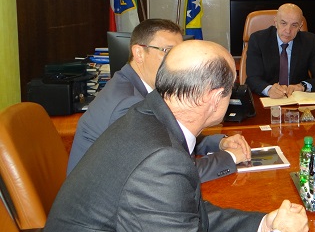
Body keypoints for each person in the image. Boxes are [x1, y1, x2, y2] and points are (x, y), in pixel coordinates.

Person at [23, 40, 309, 232]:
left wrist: (262, 226)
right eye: (230, 89)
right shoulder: (158, 159)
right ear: (212, 97)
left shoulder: (148, 118)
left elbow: (184, 211)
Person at [67, 19, 251, 182]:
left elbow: (170, 137)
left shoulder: (139, 86)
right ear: (139, 53)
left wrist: (218, 143)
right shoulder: (128, 104)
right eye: (168, 51)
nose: (177, 60)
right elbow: (171, 172)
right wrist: (230, 157)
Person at [245, 3, 315, 98]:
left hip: (297, 99)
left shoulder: (309, 41)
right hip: (267, 99)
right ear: (275, 22)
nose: (288, 30)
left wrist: (302, 86)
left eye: (294, 25)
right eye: (283, 23)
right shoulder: (258, 40)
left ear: (300, 26)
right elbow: (252, 78)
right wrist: (268, 89)